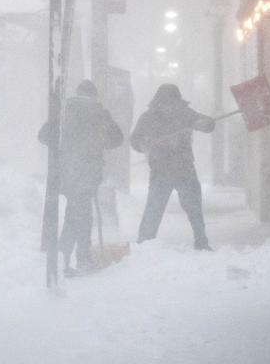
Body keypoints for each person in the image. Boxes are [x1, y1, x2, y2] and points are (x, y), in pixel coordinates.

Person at [38, 79, 123, 276]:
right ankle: (80, 257)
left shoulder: (64, 111)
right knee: (82, 214)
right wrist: (95, 142)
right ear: (94, 95)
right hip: (88, 170)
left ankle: (65, 255)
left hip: (65, 170)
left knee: (75, 211)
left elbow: (43, 135)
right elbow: (116, 138)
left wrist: (64, 145)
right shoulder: (99, 112)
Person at [130, 83, 214, 250]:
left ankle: (146, 243)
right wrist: (143, 144)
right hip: (172, 169)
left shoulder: (185, 114)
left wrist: (203, 123)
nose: (169, 106)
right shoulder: (151, 117)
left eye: (171, 102)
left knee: (185, 207)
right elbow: (135, 140)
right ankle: (145, 242)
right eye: (166, 102)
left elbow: (208, 125)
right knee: (161, 207)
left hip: (178, 168)